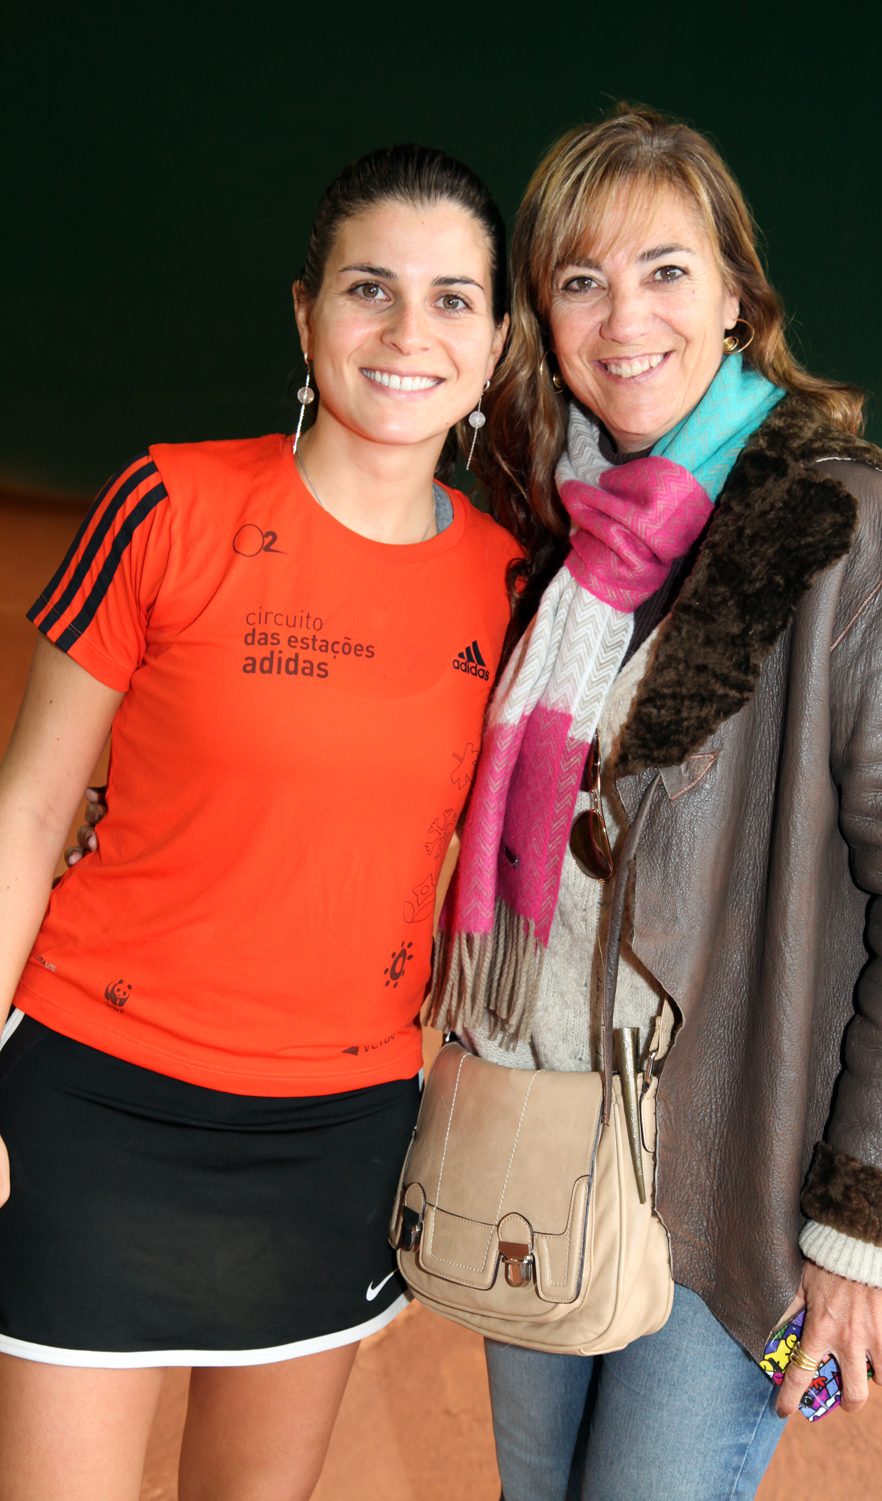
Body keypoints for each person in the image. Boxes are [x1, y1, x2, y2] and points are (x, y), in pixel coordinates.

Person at [429, 104, 882, 1499]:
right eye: (581, 279)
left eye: (667, 269)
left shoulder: (868, 545)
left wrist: (873, 1225)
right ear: (543, 319)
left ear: (738, 297)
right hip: (533, 1130)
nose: (626, 317)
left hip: (726, 1176)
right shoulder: (559, 551)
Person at [0, 143, 514, 1501]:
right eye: (369, 288)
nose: (408, 332)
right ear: (306, 313)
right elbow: (29, 809)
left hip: (335, 1129)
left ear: (498, 344)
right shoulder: (168, 505)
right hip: (96, 1093)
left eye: (453, 299)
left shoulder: (514, 586)